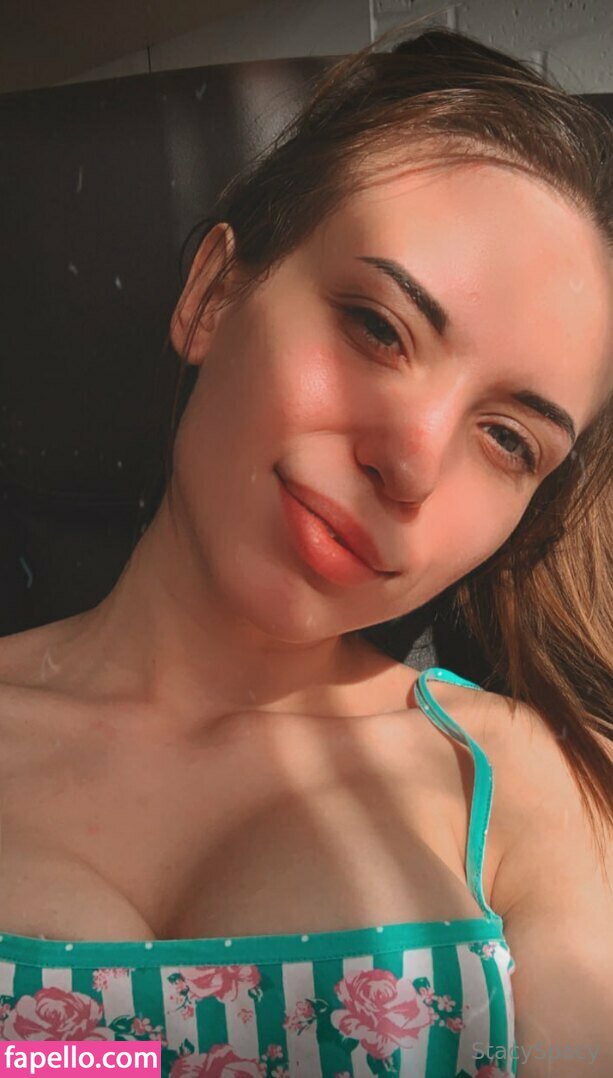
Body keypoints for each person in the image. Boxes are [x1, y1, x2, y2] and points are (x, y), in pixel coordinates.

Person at [0, 23, 611, 1078]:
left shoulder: (542, 782)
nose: (410, 463)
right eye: (377, 327)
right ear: (212, 296)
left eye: (507, 438)